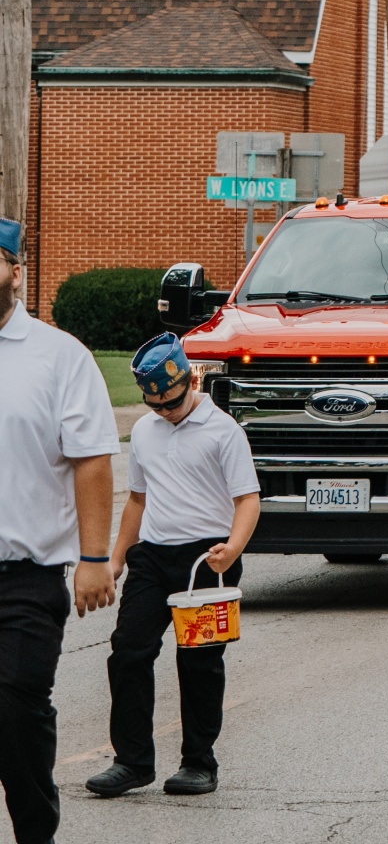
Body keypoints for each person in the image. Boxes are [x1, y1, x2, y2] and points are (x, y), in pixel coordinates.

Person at [85, 333, 259, 800]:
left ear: (192, 379)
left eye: (171, 400)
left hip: (206, 560)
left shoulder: (225, 431)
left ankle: (199, 762)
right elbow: (137, 501)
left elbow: (247, 500)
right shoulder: (144, 431)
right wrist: (117, 556)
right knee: (128, 651)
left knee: (199, 662)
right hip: (154, 555)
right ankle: (132, 761)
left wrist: (233, 547)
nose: (163, 410)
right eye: (154, 403)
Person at [0, 216, 119, 844]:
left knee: (16, 712)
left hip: (24, 577)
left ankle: (34, 835)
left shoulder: (57, 356)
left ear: (15, 271)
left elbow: (92, 458)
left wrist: (94, 556)